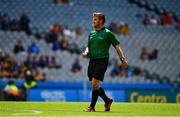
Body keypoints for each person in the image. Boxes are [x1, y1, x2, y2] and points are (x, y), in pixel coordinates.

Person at [82, 12, 128, 112]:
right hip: (92, 60)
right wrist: (86, 52)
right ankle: (107, 101)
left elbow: (117, 47)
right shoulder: (91, 34)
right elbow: (89, 47)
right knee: (95, 86)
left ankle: (92, 107)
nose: (93, 21)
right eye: (93, 19)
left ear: (101, 21)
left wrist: (123, 59)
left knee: (94, 84)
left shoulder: (108, 33)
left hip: (102, 60)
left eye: (95, 19)